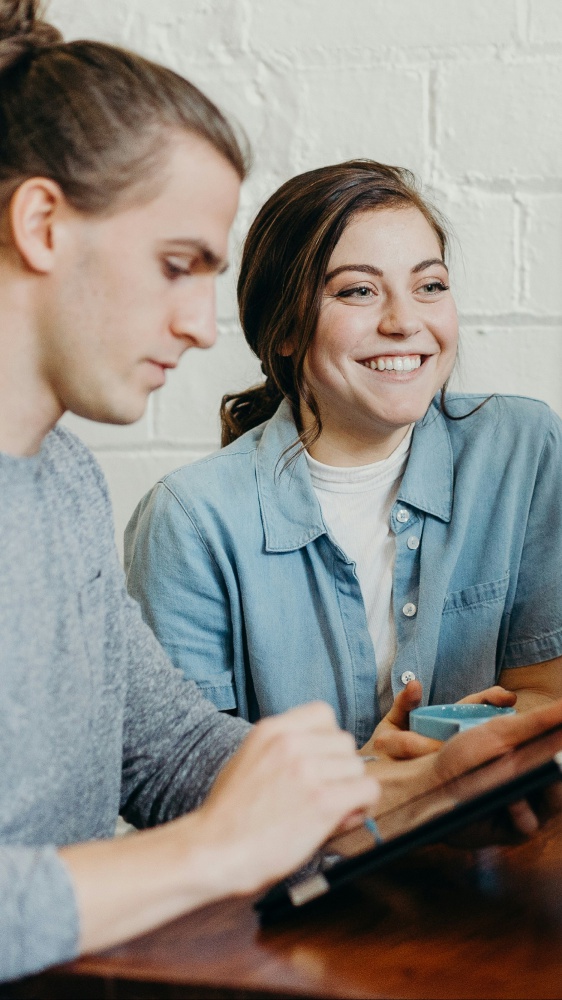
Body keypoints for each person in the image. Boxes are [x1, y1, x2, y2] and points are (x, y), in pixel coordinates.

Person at [1, 4, 561, 986]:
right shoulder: (177, 508)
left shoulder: (63, 485)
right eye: (177, 266)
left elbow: (169, 747)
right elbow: (193, 829)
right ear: (42, 224)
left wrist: (406, 785)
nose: (194, 321)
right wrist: (215, 849)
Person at [125, 159, 562, 759]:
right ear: (283, 329)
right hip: (304, 855)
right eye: (358, 290)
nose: (405, 321)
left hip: (491, 844)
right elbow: (185, 780)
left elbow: (544, 695)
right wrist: (379, 782)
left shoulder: (523, 448)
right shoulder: (190, 521)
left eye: (429, 286)